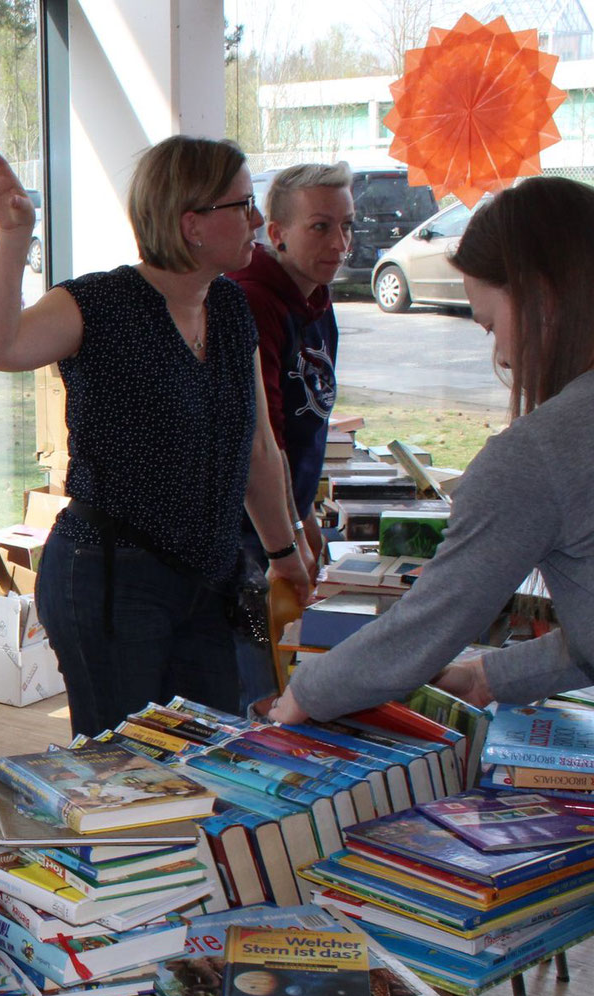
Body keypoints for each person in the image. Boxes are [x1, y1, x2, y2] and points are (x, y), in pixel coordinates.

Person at [263, 176, 594, 996]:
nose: (496, 348)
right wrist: (488, 678)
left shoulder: (541, 447)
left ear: (544, 296)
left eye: (491, 317)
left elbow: (418, 626)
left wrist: (304, 691)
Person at [0, 134, 315, 736]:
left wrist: (284, 553)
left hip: (210, 576)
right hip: (112, 576)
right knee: (125, 779)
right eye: (244, 204)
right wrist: (15, 236)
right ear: (191, 223)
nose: (257, 220)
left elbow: (256, 447)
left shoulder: (229, 307)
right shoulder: (99, 303)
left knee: (214, 760)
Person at [227, 162, 356, 710]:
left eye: (348, 225)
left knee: (283, 672)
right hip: (248, 530)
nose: (341, 242)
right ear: (276, 234)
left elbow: (309, 425)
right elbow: (267, 437)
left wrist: (306, 516)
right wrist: (289, 540)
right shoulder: (252, 301)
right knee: (260, 689)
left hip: (282, 520)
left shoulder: (318, 301)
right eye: (321, 227)